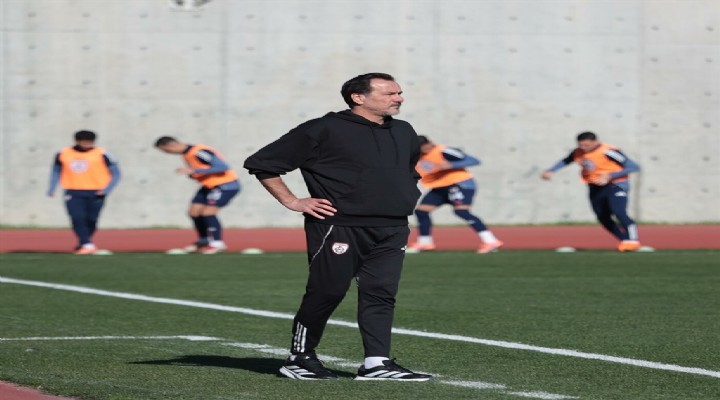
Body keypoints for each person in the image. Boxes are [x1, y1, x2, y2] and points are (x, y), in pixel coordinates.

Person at [244, 73, 431, 381]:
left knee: (381, 294)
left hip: (392, 227)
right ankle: (300, 359)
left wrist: (404, 192)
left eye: (399, 92)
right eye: (389, 93)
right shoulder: (324, 128)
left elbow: (407, 170)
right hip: (339, 226)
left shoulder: (403, 130)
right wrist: (293, 201)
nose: (398, 98)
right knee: (327, 292)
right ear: (359, 97)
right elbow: (262, 163)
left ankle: (376, 363)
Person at [542, 131, 642, 251]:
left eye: (587, 145)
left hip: (616, 185)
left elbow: (634, 166)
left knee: (619, 212)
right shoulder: (578, 152)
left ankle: (633, 240)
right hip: (595, 186)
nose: (584, 148)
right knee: (602, 216)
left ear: (596, 142)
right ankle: (625, 240)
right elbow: (566, 161)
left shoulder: (609, 151)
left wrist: (610, 175)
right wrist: (551, 170)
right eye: (581, 145)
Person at [408, 136, 503, 254]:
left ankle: (491, 241)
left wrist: (451, 165)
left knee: (461, 211)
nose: (424, 149)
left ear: (430, 142)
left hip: (459, 184)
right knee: (421, 211)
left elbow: (474, 160)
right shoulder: (416, 156)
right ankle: (425, 243)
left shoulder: (444, 151)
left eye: (425, 145)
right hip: (439, 187)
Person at [154, 136, 240, 254]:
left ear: (172, 145)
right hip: (209, 186)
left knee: (208, 212)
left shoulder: (199, 152)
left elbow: (222, 167)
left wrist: (194, 171)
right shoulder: (186, 154)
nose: (168, 154)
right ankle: (204, 240)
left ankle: (217, 243)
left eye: (166, 151)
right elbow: (203, 169)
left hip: (225, 185)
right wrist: (194, 174)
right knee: (193, 212)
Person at [47, 130, 121, 254]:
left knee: (91, 220)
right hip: (73, 191)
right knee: (77, 218)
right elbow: (56, 171)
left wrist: (106, 189)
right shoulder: (63, 153)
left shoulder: (103, 153)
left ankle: (84, 242)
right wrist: (52, 188)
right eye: (84, 142)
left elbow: (116, 174)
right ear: (77, 141)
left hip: (97, 192)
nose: (87, 144)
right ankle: (87, 244)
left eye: (90, 142)